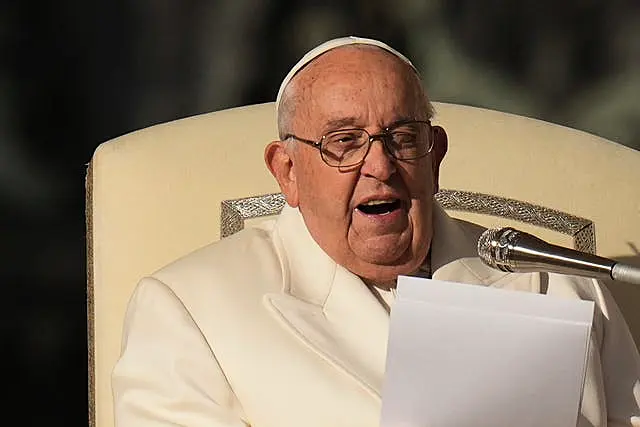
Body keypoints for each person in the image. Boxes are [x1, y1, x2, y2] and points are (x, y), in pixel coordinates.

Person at [112, 36, 640, 427]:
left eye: (402, 137)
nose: (381, 166)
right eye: (344, 142)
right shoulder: (190, 309)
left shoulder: (558, 282)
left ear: (435, 157)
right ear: (288, 173)